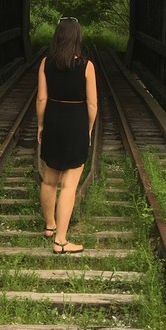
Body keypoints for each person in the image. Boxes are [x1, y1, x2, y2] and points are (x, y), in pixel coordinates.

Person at [36, 16, 97, 255]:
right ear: (77, 38)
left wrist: (41, 125)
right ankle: (61, 241)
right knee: (69, 185)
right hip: (76, 123)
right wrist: (88, 129)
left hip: (53, 119)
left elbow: (41, 99)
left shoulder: (45, 63)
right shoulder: (86, 66)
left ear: (57, 37)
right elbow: (92, 104)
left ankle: (50, 226)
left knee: (49, 180)